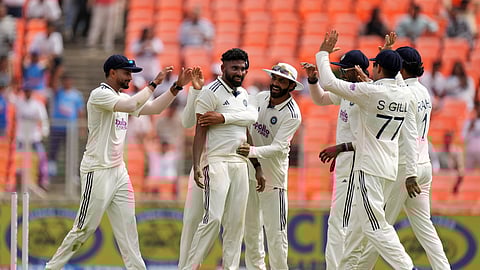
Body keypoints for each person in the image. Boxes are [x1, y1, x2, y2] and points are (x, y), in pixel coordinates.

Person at [45, 54, 192, 269]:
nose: (130, 78)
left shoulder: (122, 98)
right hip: (97, 170)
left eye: (131, 74)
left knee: (128, 229)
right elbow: (134, 104)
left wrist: (177, 86)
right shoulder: (99, 95)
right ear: (112, 73)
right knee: (84, 228)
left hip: (118, 172)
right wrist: (153, 84)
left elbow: (154, 109)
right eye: (126, 73)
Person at [316, 30, 418, 269]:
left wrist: (323, 52)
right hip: (389, 167)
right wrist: (387, 53)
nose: (370, 70)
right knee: (356, 230)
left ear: (379, 69)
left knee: (374, 226)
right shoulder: (404, 94)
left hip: (369, 166)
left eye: (375, 66)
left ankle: (406, 266)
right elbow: (391, 89)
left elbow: (329, 83)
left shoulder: (370, 92)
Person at [352, 46, 451, 269]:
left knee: (379, 226)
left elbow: (386, 100)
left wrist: (369, 82)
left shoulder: (403, 93)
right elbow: (387, 93)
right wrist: (370, 81)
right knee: (426, 229)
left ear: (402, 68)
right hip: (424, 165)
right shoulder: (423, 91)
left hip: (406, 169)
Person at [184, 48, 257, 270]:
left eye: (243, 69)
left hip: (240, 164)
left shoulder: (244, 94)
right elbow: (199, 131)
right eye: (235, 68)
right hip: (216, 161)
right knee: (213, 219)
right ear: (223, 66)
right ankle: (191, 266)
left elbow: (247, 130)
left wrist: (257, 165)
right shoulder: (210, 92)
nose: (239, 72)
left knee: (236, 224)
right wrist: (197, 165)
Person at [301, 49, 371, 270]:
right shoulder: (348, 92)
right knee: (341, 221)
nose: (340, 73)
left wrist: (340, 148)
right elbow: (321, 98)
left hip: (354, 164)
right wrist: (313, 80)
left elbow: (368, 141)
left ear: (356, 71)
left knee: (340, 222)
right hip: (346, 164)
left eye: (344, 70)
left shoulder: (365, 95)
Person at [240, 62, 303, 269]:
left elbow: (277, 147)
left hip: (274, 180)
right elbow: (246, 126)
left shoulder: (292, 114)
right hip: (250, 174)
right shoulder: (258, 98)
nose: (276, 83)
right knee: (251, 231)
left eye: (282, 81)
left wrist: (252, 152)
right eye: (275, 78)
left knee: (276, 235)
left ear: (291, 86)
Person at [48, 73, 85, 176]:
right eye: (65, 81)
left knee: (71, 152)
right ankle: (51, 173)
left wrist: (81, 127)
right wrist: (57, 70)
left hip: (70, 128)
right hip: (57, 127)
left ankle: (72, 174)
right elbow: (52, 85)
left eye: (69, 80)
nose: (67, 83)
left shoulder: (76, 95)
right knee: (53, 150)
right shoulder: (58, 93)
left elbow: (80, 111)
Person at [15, 87, 50, 190]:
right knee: (19, 159)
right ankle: (19, 182)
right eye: (25, 91)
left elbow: (44, 118)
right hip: (21, 137)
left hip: (34, 137)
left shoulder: (37, 104)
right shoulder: (19, 103)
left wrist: (45, 130)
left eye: (28, 91)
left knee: (42, 157)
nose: (27, 93)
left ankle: (43, 181)